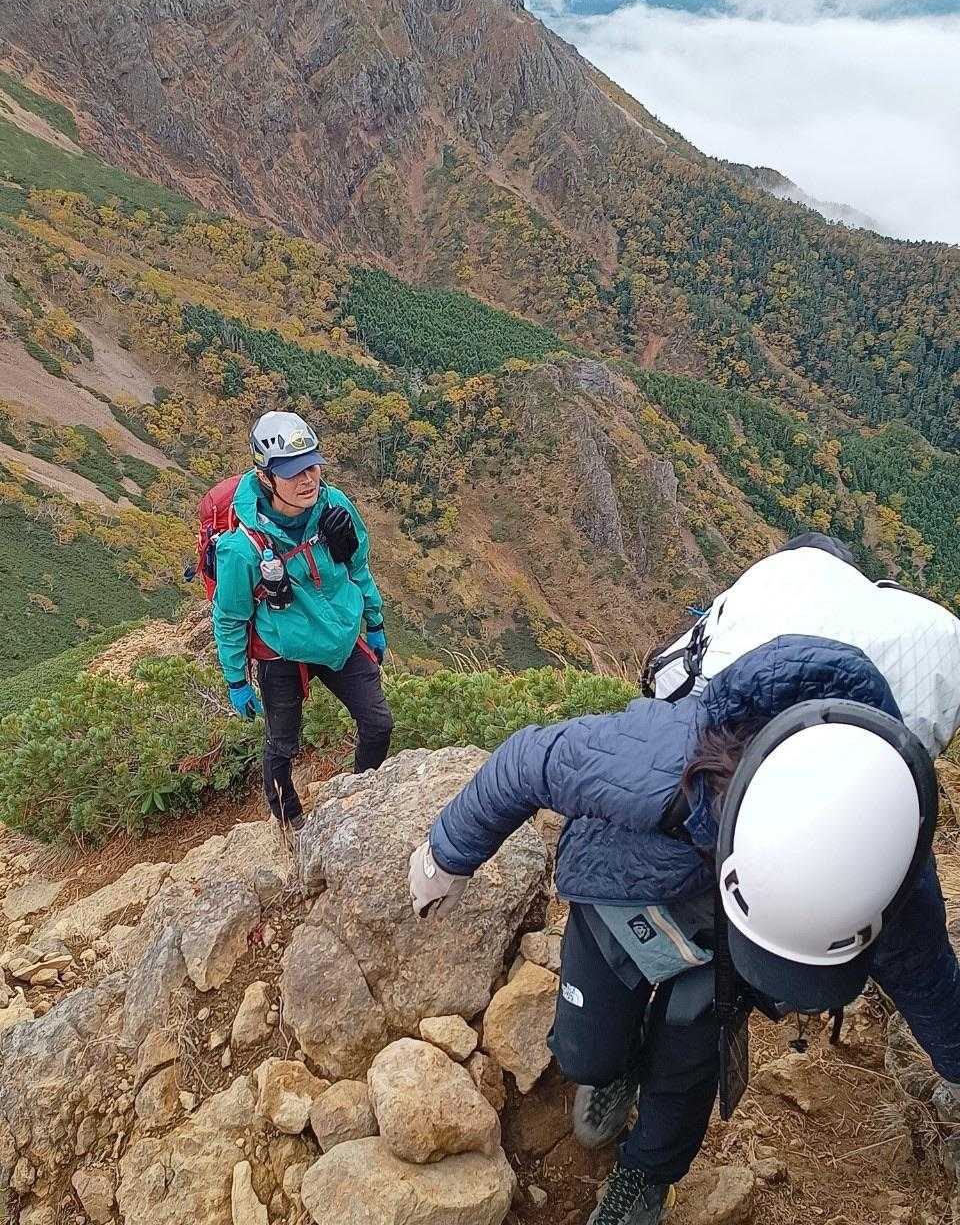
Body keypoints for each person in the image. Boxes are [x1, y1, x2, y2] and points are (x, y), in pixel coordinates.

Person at [408, 633, 960, 1225]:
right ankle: (614, 1068)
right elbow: (529, 761)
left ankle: (646, 1176)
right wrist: (446, 856)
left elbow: (930, 985)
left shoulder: (885, 862)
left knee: (684, 1074)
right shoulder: (665, 759)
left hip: (719, 960)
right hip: (623, 895)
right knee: (584, 1053)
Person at [213, 410, 393, 833]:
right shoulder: (242, 547)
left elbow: (359, 568)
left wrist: (374, 622)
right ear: (266, 477)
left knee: (378, 724)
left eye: (312, 466)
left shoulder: (334, 508)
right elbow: (230, 618)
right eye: (293, 472)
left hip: (337, 637)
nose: (308, 479)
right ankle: (289, 820)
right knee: (283, 744)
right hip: (283, 649)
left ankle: (360, 797)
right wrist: (236, 680)